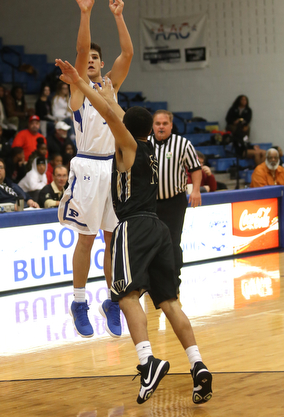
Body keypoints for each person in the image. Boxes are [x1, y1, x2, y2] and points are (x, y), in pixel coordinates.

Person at [55, 60, 213, 406]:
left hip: (135, 226)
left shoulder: (129, 146)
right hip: (159, 228)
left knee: (125, 296)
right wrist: (111, 96)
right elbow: (120, 116)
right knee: (170, 303)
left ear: (128, 127)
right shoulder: (154, 148)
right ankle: (198, 365)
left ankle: (148, 362)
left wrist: (83, 83)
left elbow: (113, 118)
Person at [57, 0, 133, 339]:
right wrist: (85, 13)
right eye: (85, 59)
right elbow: (80, 47)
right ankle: (79, 300)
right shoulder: (77, 89)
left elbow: (128, 54)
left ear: (102, 65)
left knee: (112, 240)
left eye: (94, 59)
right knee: (86, 240)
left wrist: (118, 17)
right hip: (88, 167)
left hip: (112, 169)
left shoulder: (109, 87)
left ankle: (113, 300)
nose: (89, 60)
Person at [148, 110, 202, 289]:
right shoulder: (144, 144)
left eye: (164, 123)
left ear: (171, 125)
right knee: (151, 243)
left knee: (172, 241)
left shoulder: (183, 144)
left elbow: (195, 168)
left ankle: (173, 280)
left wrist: (195, 190)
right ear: (152, 126)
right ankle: (152, 281)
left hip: (174, 201)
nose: (161, 127)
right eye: (157, 123)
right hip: (150, 203)